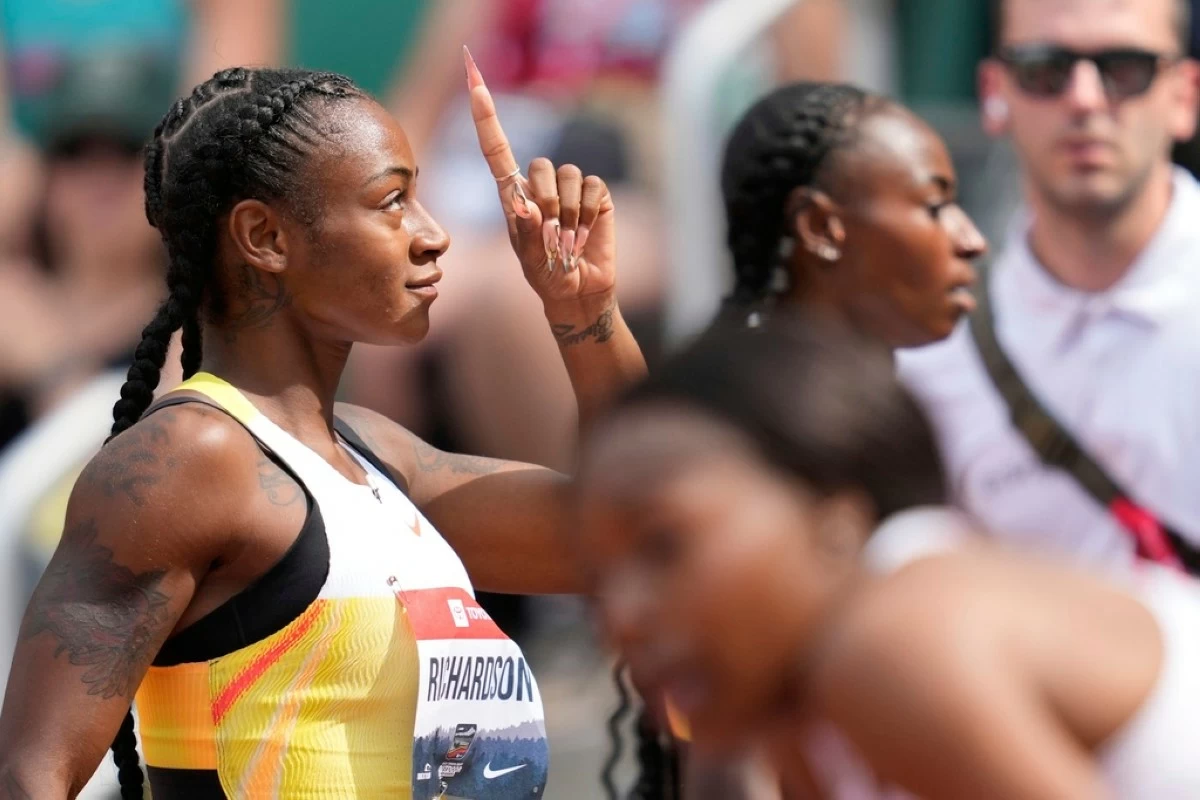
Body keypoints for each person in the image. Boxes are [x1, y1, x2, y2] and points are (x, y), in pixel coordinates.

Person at [0, 54, 646, 800]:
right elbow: (31, 775)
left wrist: (585, 315)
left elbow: (629, 534)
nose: (433, 235)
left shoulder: (378, 460)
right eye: (391, 202)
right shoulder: (189, 463)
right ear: (265, 238)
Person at [576, 314, 1200, 800]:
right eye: (601, 576)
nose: (623, 616)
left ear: (835, 523)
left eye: (665, 544)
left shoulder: (889, 646)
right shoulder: (806, 687)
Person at [613, 80, 987, 800]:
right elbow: (732, 741)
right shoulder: (731, 441)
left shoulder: (937, 400)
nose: (971, 237)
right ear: (821, 228)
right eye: (934, 204)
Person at [898, 0, 1200, 569]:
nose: (1085, 99)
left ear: (1184, 96)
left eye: (1125, 68)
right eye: (1044, 69)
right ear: (994, 92)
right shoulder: (930, 354)